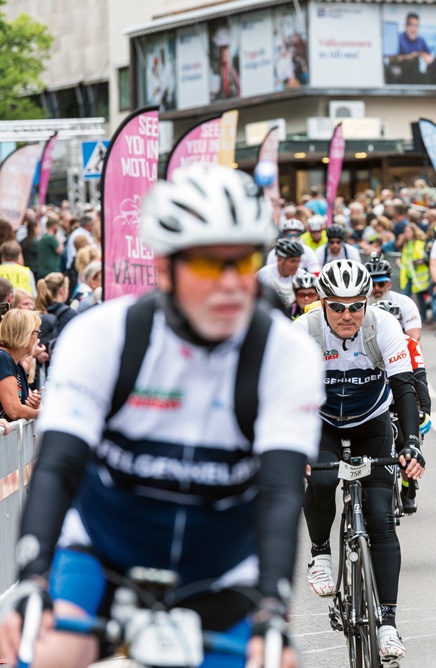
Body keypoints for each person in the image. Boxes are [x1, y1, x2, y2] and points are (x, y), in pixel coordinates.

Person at [0, 164, 324, 668]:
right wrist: (33, 577)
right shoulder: (103, 337)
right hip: (104, 558)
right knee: (42, 649)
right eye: (207, 265)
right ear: (165, 268)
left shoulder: (286, 352)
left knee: (275, 661)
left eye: (241, 262)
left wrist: (272, 610)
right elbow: (58, 466)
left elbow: (282, 491)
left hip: (220, 571)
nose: (228, 284)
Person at [295, 259, 424, 664]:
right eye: (337, 306)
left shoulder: (383, 325)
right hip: (322, 421)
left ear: (367, 303)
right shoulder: (304, 331)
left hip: (372, 422)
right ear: (322, 304)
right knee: (318, 480)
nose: (347, 315)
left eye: (356, 305)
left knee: (382, 515)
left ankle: (387, 622)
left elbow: (404, 387)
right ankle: (320, 553)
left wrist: (413, 442)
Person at [373, 299, 432, 515]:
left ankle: (408, 487)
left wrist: (424, 411)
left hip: (400, 400)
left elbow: (420, 382)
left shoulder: (409, 343)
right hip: (376, 401)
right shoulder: (366, 341)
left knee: (403, 440)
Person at [366, 253, 423, 340]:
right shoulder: (360, 305)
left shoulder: (405, 303)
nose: (377, 288)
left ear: (389, 284)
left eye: (381, 284)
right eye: (372, 285)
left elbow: (414, 338)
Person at [0, 308, 42, 421]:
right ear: (26, 334)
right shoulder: (2, 358)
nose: (38, 339)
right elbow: (14, 410)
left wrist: (33, 405)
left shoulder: (16, 363)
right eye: (37, 333)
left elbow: (21, 405)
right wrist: (43, 413)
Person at [257, 238, 307, 309]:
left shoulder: (302, 275)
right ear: (280, 260)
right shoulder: (263, 274)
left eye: (298, 261)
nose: (296, 265)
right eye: (293, 261)